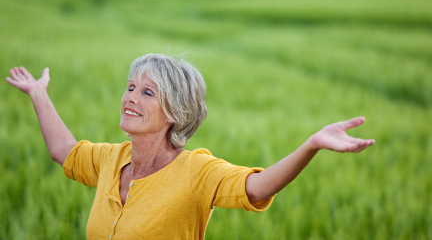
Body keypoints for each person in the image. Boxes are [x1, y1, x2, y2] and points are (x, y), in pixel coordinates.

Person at [6, 54, 375, 240]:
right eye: (130, 87)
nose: (130, 97)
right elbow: (64, 150)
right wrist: (39, 93)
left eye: (147, 92)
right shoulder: (111, 158)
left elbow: (258, 186)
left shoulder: (197, 172)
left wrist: (311, 145)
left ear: (175, 112)